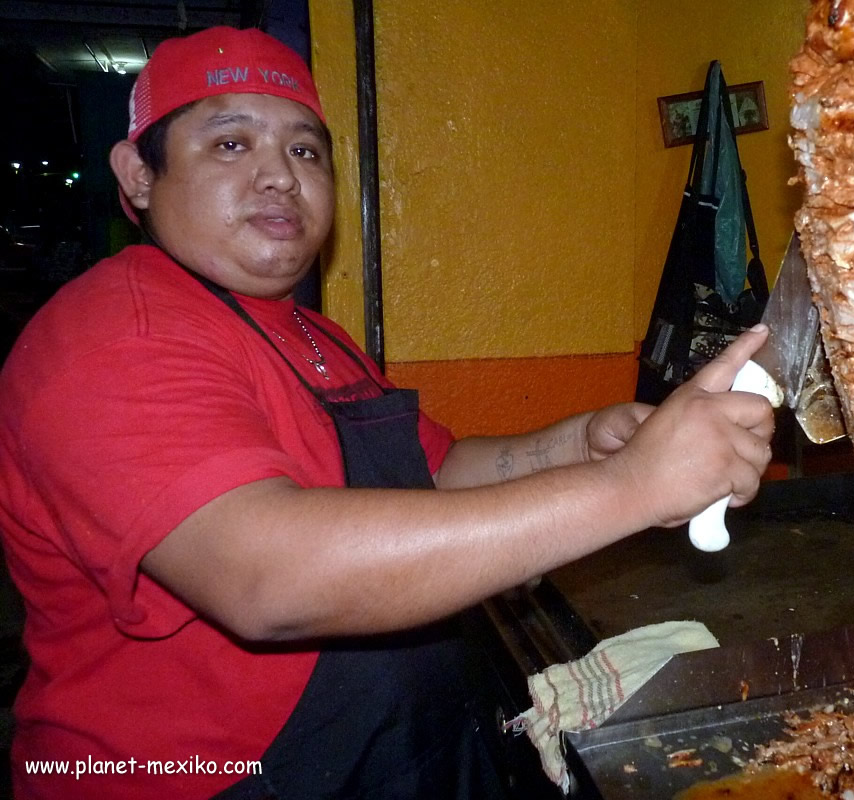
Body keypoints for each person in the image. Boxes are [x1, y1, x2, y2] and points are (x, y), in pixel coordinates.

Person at [0, 26, 774, 800]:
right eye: (231, 144)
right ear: (137, 174)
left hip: (389, 750)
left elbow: (431, 472)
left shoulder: (312, 334)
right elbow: (268, 581)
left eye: (306, 151)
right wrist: (633, 489)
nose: (280, 177)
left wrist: (583, 445)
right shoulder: (114, 335)